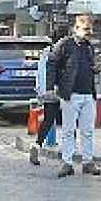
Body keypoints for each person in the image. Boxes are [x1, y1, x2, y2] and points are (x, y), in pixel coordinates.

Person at [50, 14, 101, 177]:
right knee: (68, 130)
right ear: (76, 28)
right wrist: (52, 87)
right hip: (70, 94)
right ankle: (67, 163)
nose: (89, 32)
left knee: (87, 131)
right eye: (86, 29)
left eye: (90, 29)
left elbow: (91, 66)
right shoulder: (65, 44)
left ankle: (88, 162)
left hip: (88, 94)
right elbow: (53, 64)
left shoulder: (89, 46)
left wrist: (96, 69)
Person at [30, 25, 70, 166]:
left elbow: (40, 73)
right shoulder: (62, 53)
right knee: (69, 121)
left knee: (48, 120)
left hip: (48, 92)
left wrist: (41, 90)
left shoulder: (45, 53)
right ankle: (70, 153)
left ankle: (36, 145)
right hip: (61, 91)